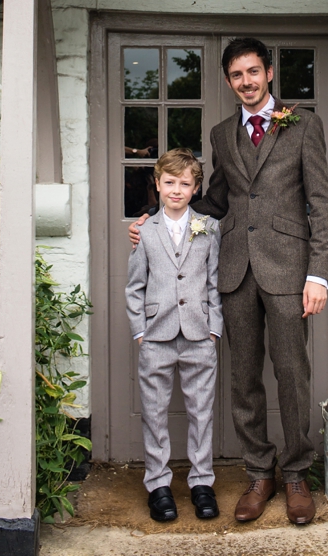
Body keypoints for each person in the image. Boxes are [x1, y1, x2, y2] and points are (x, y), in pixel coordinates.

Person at [130, 37, 328, 525]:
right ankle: (259, 472)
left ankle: (295, 474)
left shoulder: (303, 124)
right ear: (229, 81)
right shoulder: (223, 134)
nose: (246, 82)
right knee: (244, 379)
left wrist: (319, 273)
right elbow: (215, 202)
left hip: (288, 269)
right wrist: (155, 219)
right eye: (237, 75)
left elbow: (321, 203)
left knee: (292, 374)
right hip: (235, 270)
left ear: (268, 74)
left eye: (253, 72)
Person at [126, 148, 222, 523]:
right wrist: (140, 333)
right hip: (156, 336)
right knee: (154, 413)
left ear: (196, 188)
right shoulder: (145, 232)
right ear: (158, 184)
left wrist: (213, 329)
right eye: (170, 183)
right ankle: (158, 484)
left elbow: (214, 283)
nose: (177, 190)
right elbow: (135, 286)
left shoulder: (208, 228)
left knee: (201, 413)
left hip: (199, 335)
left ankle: (201, 482)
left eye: (185, 184)